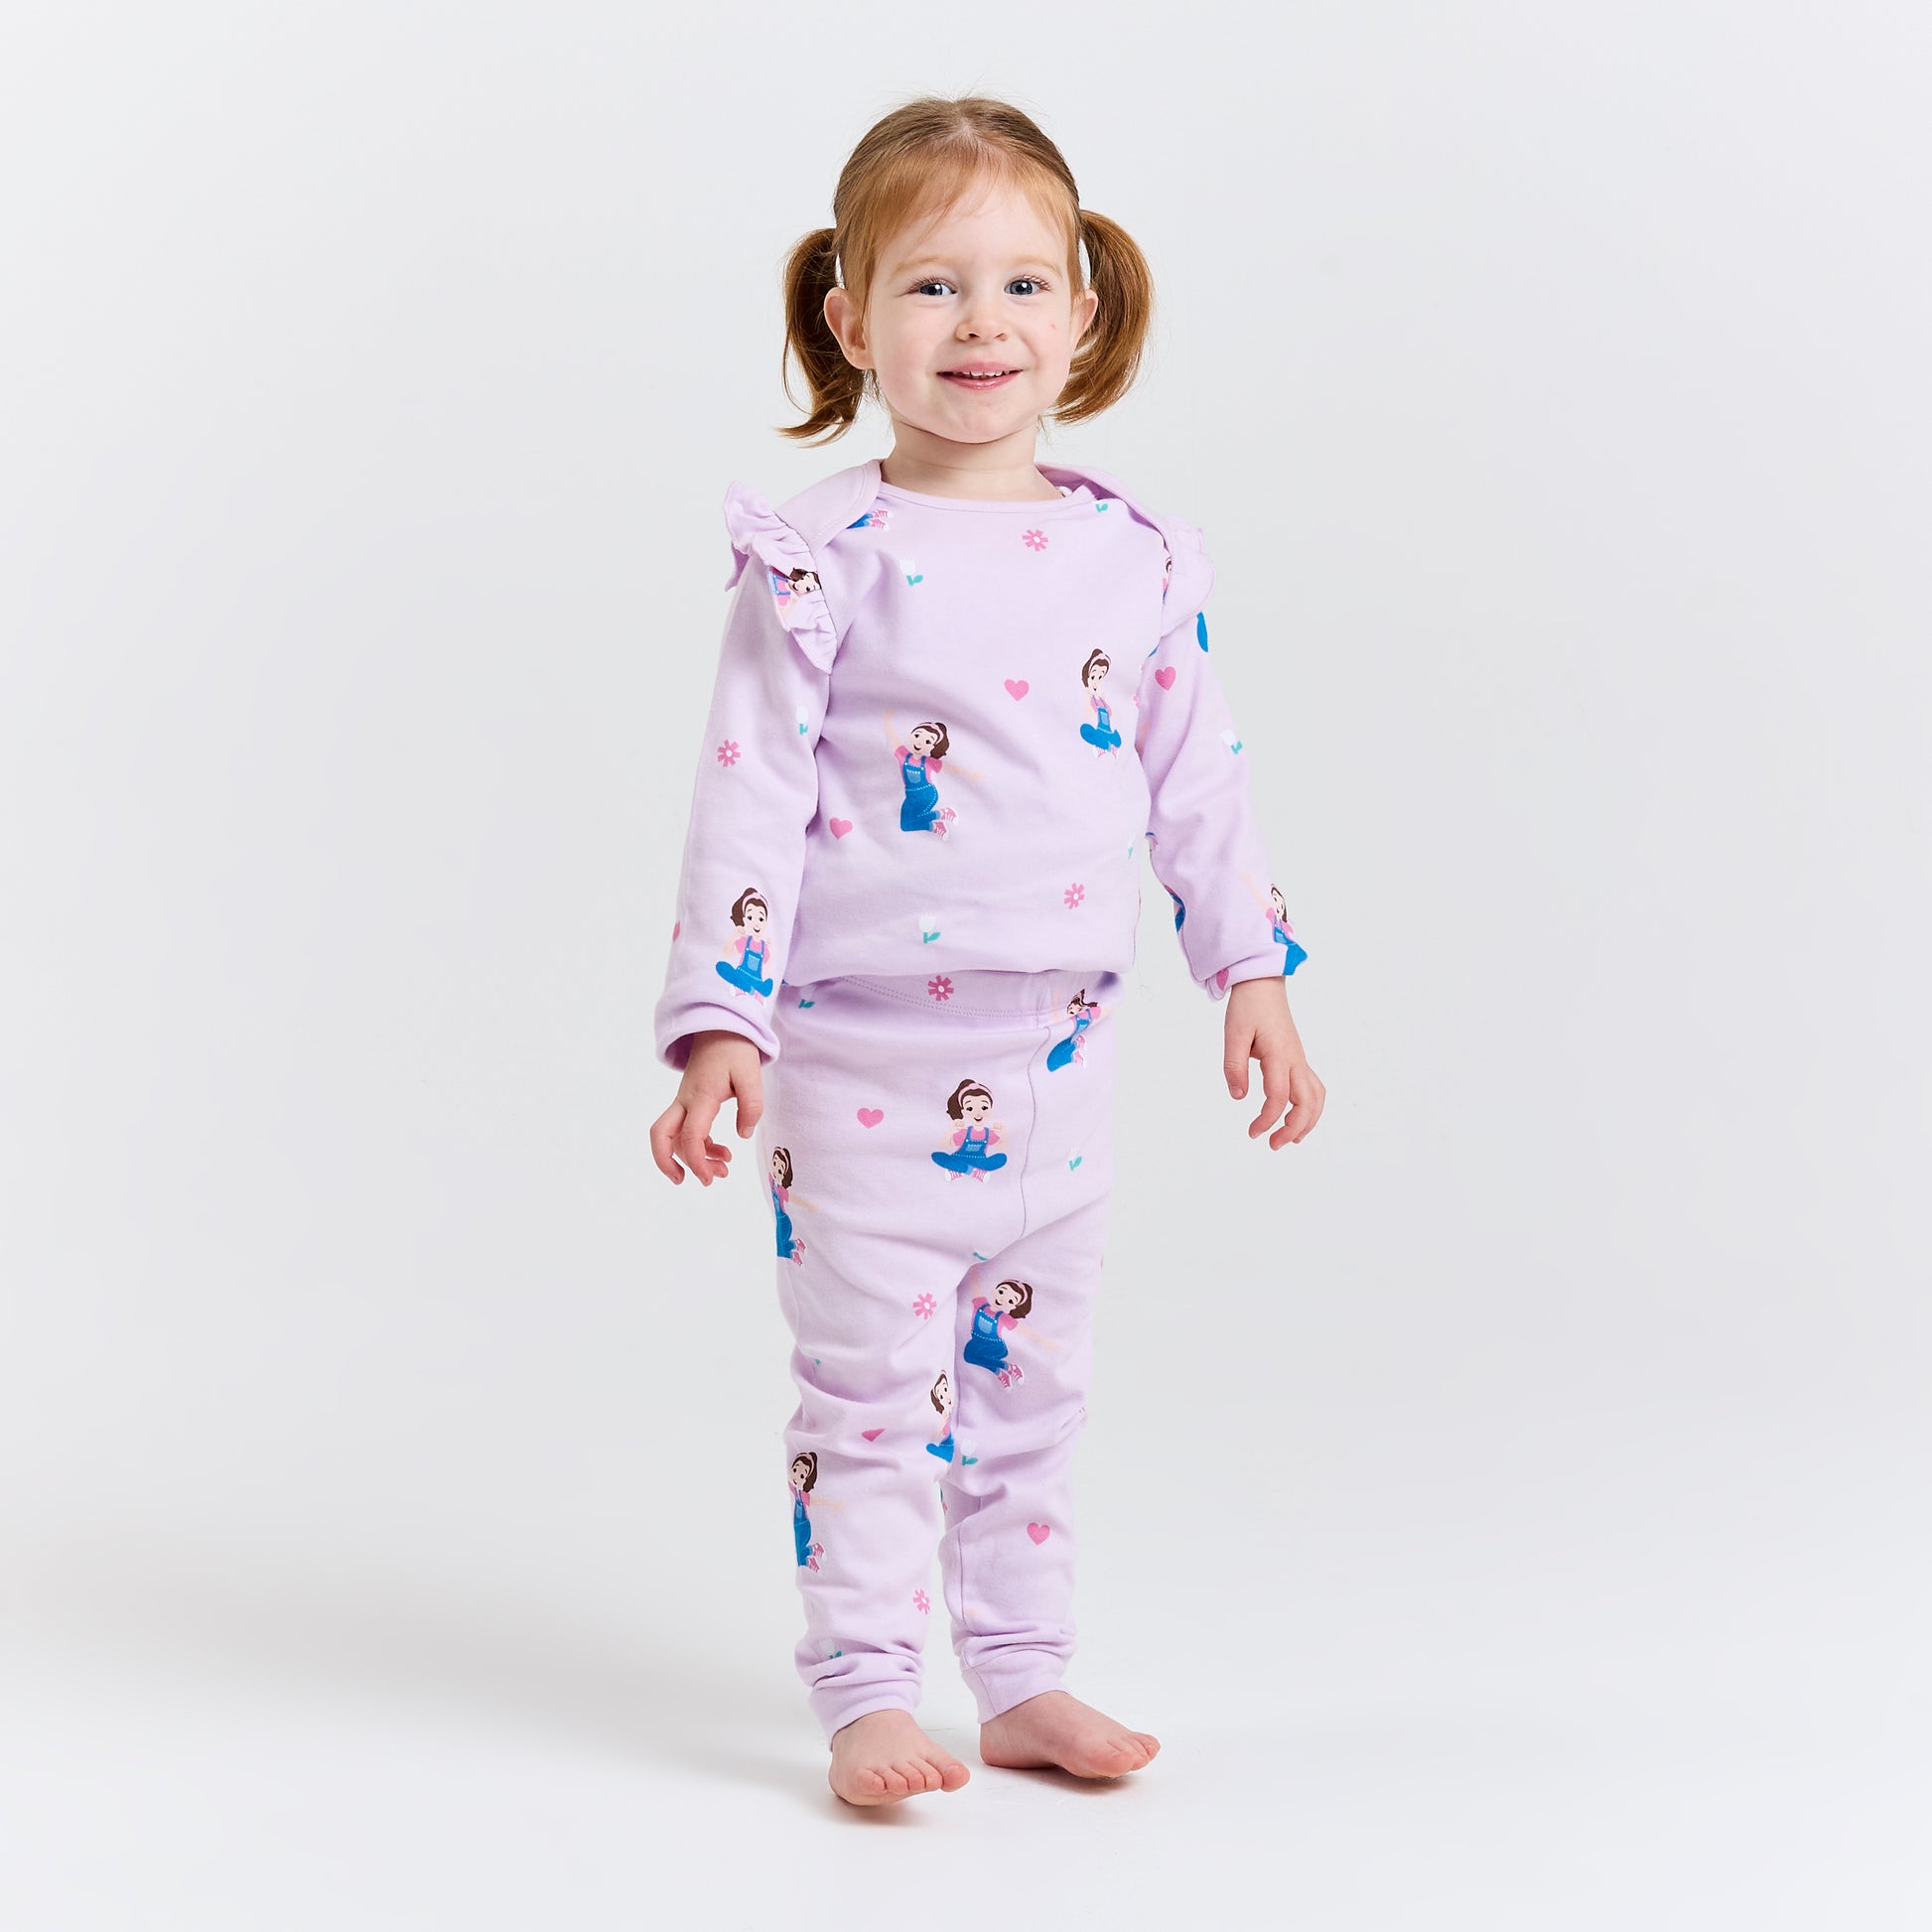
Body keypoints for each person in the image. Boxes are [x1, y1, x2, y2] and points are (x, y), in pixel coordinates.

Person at [647, 95, 1326, 1810]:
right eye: (932, 285)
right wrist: (720, 1021)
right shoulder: (819, 561)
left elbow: (1196, 780)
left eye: (1023, 284)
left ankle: (1020, 1676)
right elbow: (746, 795)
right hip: (857, 1058)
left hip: (1059, 1061)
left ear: (1081, 312)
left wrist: (1249, 970)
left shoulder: (1132, 558)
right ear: (850, 317)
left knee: (1031, 1390)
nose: (981, 323)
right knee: (871, 1395)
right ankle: (869, 1690)